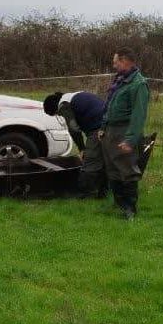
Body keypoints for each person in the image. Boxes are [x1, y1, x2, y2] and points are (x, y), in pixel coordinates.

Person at [100, 48, 150, 220]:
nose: (114, 65)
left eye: (116, 62)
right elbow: (109, 106)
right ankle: (119, 203)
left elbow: (139, 114)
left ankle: (130, 209)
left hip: (125, 129)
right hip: (111, 130)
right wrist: (103, 127)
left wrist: (130, 139)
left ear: (126, 61)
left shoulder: (138, 84)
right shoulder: (119, 81)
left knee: (127, 169)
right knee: (112, 168)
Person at [43, 91, 107, 197]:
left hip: (98, 127)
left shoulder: (64, 105)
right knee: (104, 159)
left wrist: (82, 149)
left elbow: (74, 129)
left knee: (90, 161)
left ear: (55, 108)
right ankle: (104, 190)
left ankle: (86, 193)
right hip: (108, 122)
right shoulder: (71, 96)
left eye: (57, 114)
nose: (59, 115)